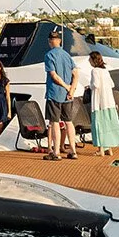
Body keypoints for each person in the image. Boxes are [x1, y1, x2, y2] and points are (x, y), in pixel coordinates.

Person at [42, 28, 78, 161]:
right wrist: (72, 89)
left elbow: (53, 75)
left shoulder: (49, 55)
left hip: (55, 93)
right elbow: (76, 74)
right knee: (69, 122)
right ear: (59, 41)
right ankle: (73, 151)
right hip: (67, 95)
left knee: (55, 122)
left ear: (50, 41)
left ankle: (56, 152)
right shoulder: (67, 55)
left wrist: (66, 86)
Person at [86, 50, 119, 151]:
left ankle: (101, 148)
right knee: (108, 124)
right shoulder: (105, 71)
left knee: (99, 124)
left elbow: (96, 85)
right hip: (109, 101)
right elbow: (112, 84)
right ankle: (109, 148)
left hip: (99, 101)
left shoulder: (95, 71)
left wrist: (89, 86)